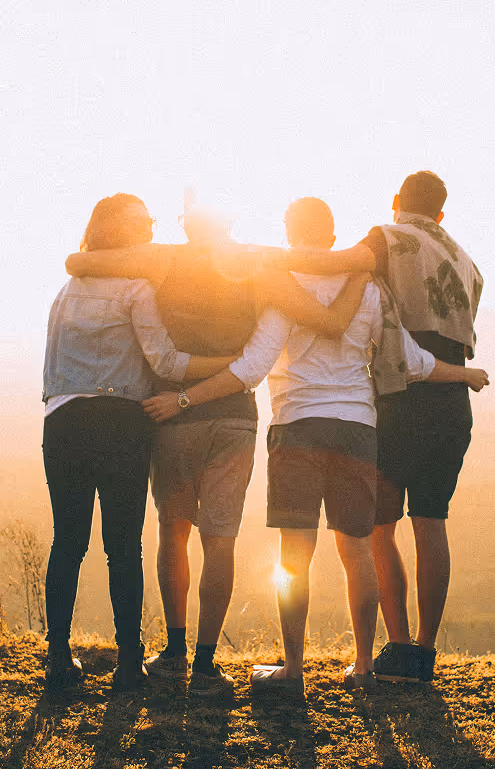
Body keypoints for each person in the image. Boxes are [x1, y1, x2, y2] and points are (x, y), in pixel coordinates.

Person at [143, 197, 489, 694]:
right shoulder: (369, 288)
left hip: (297, 428)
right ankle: (365, 667)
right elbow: (412, 361)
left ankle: (292, 670)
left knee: (294, 557)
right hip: (358, 430)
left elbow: (252, 368)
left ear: (289, 233)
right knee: (358, 553)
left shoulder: (284, 287)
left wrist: (184, 399)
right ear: (332, 238)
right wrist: (467, 374)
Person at [65, 203, 372, 696]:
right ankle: (207, 666)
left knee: (174, 530)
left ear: (186, 223)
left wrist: (81, 262)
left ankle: (174, 652)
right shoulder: (257, 262)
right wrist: (360, 263)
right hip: (234, 416)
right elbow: (324, 303)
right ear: (229, 221)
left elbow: (80, 264)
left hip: (174, 413)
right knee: (221, 538)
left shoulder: (160, 258)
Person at [42, 194, 239, 691]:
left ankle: (59, 658)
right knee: (123, 548)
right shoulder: (137, 287)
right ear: (123, 233)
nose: (151, 230)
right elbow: (167, 364)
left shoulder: (67, 290)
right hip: (122, 424)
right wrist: (231, 366)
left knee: (67, 542)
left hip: (62, 421)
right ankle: (130, 663)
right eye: (144, 223)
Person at [357, 171, 485, 682]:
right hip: (452, 401)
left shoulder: (385, 238)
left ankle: (399, 644)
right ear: (442, 213)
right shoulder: (467, 261)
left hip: (400, 396)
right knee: (431, 520)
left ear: (396, 202)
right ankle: (426, 652)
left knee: (380, 523)